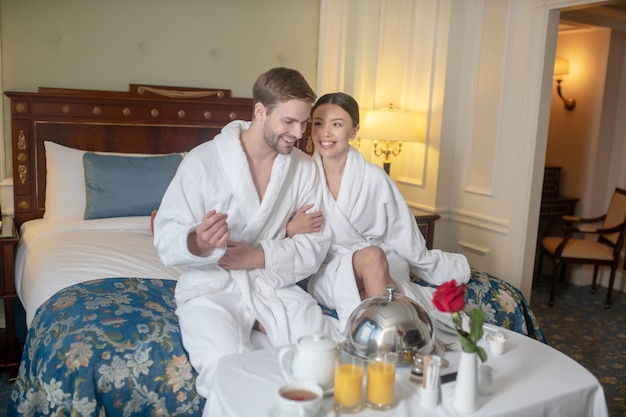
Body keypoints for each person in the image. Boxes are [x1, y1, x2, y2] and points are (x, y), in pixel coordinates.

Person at [153, 68, 339, 405]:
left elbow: (314, 245)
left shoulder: (304, 169)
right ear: (260, 111)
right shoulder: (203, 161)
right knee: (225, 369)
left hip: (271, 283)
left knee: (324, 361)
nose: (298, 133)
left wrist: (260, 256)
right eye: (288, 122)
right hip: (213, 287)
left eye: (303, 122)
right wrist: (197, 242)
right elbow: (166, 238)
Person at [295, 92, 471, 328]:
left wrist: (425, 261)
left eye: (337, 124)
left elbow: (402, 230)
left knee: (374, 260)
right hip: (329, 271)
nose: (325, 133)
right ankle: (395, 335)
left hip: (381, 264)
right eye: (318, 123)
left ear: (354, 130)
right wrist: (290, 227)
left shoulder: (374, 177)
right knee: (373, 259)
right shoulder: (302, 176)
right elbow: (277, 230)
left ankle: (383, 340)